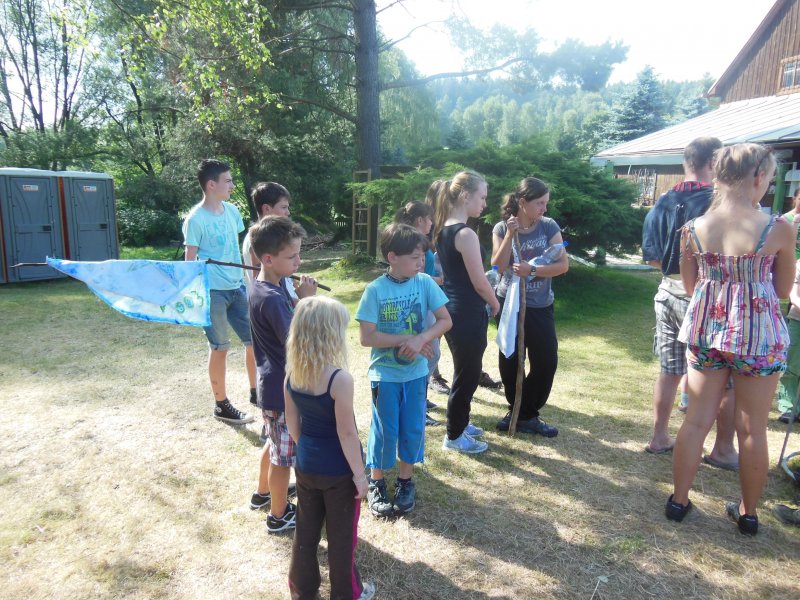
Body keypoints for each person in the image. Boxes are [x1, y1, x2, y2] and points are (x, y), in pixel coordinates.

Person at [665, 143, 794, 535]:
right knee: (752, 428)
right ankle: (748, 514)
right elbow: (783, 290)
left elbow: (691, 287)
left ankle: (678, 501)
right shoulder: (777, 228)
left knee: (695, 420)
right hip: (758, 339)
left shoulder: (694, 228)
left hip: (707, 332)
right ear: (759, 176)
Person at [641, 137, 739, 470]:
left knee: (669, 372)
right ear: (713, 163)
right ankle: (723, 449)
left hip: (666, 294)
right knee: (724, 380)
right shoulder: (717, 203)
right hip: (705, 300)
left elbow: (652, 257)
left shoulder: (662, 201)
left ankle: (659, 437)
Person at [356, 223, 451, 517]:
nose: (421, 263)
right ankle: (377, 482)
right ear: (392, 257)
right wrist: (405, 340)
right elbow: (366, 337)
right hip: (385, 375)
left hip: (416, 374)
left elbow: (445, 320)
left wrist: (422, 338)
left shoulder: (425, 283)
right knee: (385, 429)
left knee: (411, 427)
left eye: (422, 257)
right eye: (415, 258)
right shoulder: (374, 290)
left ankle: (405, 481)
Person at [284, 296, 376, 600]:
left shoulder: (291, 376)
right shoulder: (339, 379)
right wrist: (360, 476)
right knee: (341, 539)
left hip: (306, 466)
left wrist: (311, 451)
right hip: (339, 473)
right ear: (329, 334)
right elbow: (346, 433)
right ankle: (346, 594)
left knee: (305, 534)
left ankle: (302, 591)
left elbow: (293, 425)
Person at [247, 216, 318, 533]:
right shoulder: (272, 298)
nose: (298, 262)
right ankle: (278, 514)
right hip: (282, 391)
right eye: (292, 256)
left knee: (275, 444)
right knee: (282, 458)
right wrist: (307, 303)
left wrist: (297, 296)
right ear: (267, 259)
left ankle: (263, 493)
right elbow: (296, 342)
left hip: (273, 386)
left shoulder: (270, 288)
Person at [490, 177, 568, 436]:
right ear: (523, 202)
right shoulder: (502, 227)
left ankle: (526, 412)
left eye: (546, 203)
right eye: (540, 203)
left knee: (546, 360)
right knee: (510, 359)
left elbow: (562, 265)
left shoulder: (548, 226)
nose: (544, 208)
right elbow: (498, 266)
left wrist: (532, 270)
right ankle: (517, 409)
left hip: (540, 305)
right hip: (509, 304)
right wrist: (510, 234)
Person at [182, 159, 256, 424]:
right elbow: (189, 261)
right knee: (220, 348)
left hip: (237, 287)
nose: (232, 185)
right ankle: (221, 405)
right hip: (212, 292)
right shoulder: (195, 219)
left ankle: (256, 392)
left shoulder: (232, 211)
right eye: (228, 181)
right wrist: (192, 293)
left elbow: (237, 247)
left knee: (254, 341)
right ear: (211, 185)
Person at [435, 170, 498, 454]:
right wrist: (495, 302)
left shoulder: (444, 229)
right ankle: (454, 434)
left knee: (466, 371)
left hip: (453, 309)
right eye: (481, 197)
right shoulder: (465, 233)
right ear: (465, 196)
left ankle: (461, 422)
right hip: (467, 312)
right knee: (468, 374)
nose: (484, 204)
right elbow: (479, 281)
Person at [395, 201, 443, 426]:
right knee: (428, 353)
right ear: (420, 220)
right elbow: (413, 275)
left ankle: (419, 398)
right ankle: (415, 404)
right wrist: (439, 280)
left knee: (429, 354)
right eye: (429, 218)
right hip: (419, 304)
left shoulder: (419, 241)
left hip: (427, 302)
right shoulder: (412, 244)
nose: (432, 223)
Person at [424, 179, 453, 396]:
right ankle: (432, 376)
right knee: (433, 334)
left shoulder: (449, 223)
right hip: (431, 287)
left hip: (447, 288)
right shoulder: (426, 226)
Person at [776, 260, 800, 424]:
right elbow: (793, 295)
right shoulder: (798, 265)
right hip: (798, 320)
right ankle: (788, 407)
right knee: (792, 366)